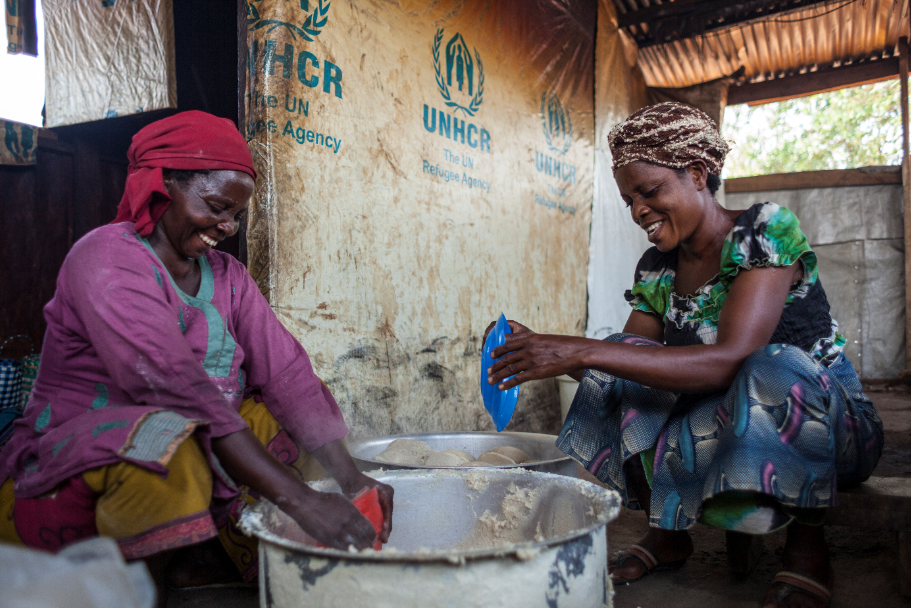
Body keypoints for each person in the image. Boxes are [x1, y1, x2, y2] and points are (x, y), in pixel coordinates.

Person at [485, 102, 882, 608]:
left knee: (772, 364)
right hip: (731, 424)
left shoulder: (763, 230)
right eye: (629, 200)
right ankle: (667, 529)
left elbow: (734, 358)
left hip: (831, 429)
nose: (638, 211)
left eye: (649, 192)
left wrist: (576, 347)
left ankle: (808, 551)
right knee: (623, 360)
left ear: (696, 173)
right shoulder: (657, 267)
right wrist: (541, 347)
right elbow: (628, 359)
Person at [0, 111, 393, 600]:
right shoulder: (105, 258)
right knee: (169, 439)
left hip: (191, 435)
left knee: (278, 419)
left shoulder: (227, 276)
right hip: (70, 470)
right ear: (161, 186)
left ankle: (269, 571)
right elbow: (172, 385)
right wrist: (302, 500)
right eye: (215, 207)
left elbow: (288, 374)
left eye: (236, 215)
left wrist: (351, 479)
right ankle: (147, 591)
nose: (226, 226)